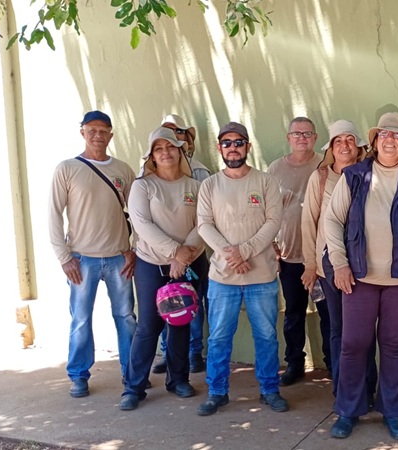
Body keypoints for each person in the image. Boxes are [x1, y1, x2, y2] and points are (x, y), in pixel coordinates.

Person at [323, 112, 398, 440]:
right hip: (359, 278)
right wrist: (340, 263)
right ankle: (348, 410)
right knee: (352, 344)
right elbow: (332, 221)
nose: (390, 140)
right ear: (374, 142)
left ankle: (393, 411)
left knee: (393, 346)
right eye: (384, 134)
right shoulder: (355, 176)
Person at [195, 121, 288, 416]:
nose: (232, 148)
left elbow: (273, 222)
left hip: (261, 275)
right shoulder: (210, 185)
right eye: (227, 143)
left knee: (266, 336)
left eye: (238, 142)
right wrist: (230, 255)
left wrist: (244, 251)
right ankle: (217, 391)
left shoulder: (266, 182)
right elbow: (204, 225)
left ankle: (269, 389)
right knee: (219, 336)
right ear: (219, 148)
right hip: (223, 277)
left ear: (248, 146)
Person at [48, 110, 137, 398]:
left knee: (126, 317)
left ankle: (132, 373)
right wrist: (64, 257)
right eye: (92, 130)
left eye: (103, 130)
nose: (98, 135)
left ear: (111, 134)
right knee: (81, 320)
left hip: (118, 259)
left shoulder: (123, 170)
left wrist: (133, 250)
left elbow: (139, 212)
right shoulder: (67, 168)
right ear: (83, 132)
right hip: (81, 260)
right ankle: (78, 376)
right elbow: (53, 214)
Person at [119, 127, 208, 410]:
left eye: (171, 147)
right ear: (152, 157)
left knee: (180, 323)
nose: (166, 153)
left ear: (180, 152)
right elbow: (142, 224)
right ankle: (133, 388)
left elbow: (203, 224)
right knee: (148, 326)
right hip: (151, 264)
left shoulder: (195, 187)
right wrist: (174, 252)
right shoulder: (143, 186)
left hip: (188, 264)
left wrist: (183, 257)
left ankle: (178, 380)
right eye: (159, 149)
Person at [300, 120, 377, 402]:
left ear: (358, 146)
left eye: (349, 139)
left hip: (364, 266)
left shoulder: (371, 174)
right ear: (331, 147)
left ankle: (367, 389)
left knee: (364, 331)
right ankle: (343, 389)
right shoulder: (320, 178)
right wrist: (310, 264)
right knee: (338, 330)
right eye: (338, 141)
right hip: (328, 266)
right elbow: (309, 223)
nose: (344, 145)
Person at [268, 117, 331, 386]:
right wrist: (271, 245)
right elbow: (267, 212)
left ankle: (333, 364)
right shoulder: (275, 169)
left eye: (307, 133)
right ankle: (295, 363)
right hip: (289, 256)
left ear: (315, 138)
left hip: (322, 258)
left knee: (329, 313)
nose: (302, 137)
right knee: (293, 313)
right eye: (297, 133)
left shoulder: (324, 164)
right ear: (288, 137)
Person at [152, 114, 212, 375]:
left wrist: (185, 252)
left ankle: (194, 352)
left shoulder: (199, 172)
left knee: (191, 302)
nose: (172, 137)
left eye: (177, 132)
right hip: (162, 254)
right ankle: (169, 354)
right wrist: (171, 250)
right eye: (167, 132)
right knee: (167, 302)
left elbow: (205, 215)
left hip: (193, 251)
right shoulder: (151, 175)